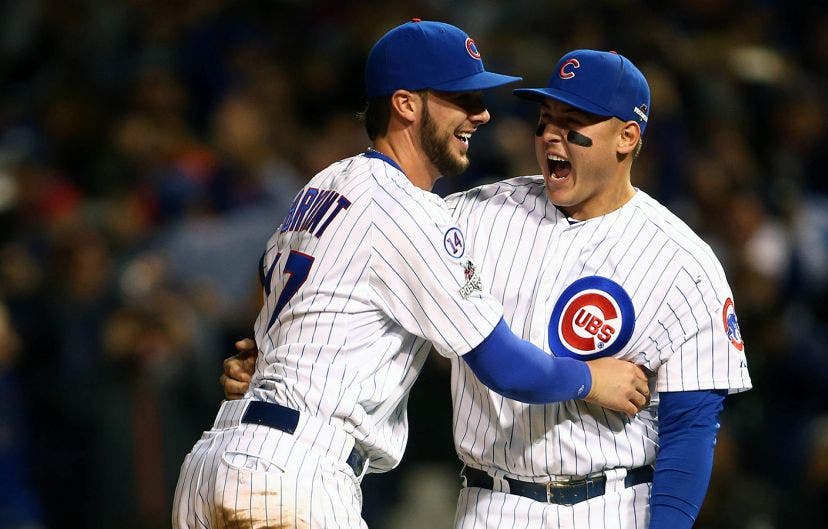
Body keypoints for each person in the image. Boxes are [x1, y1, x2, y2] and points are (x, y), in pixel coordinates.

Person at [224, 48, 753, 529]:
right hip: (489, 502)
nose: (551, 137)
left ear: (627, 138)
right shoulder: (472, 216)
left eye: (573, 125)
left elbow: (690, 430)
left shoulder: (684, 261)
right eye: (545, 122)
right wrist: (280, 354)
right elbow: (343, 260)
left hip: (612, 504)